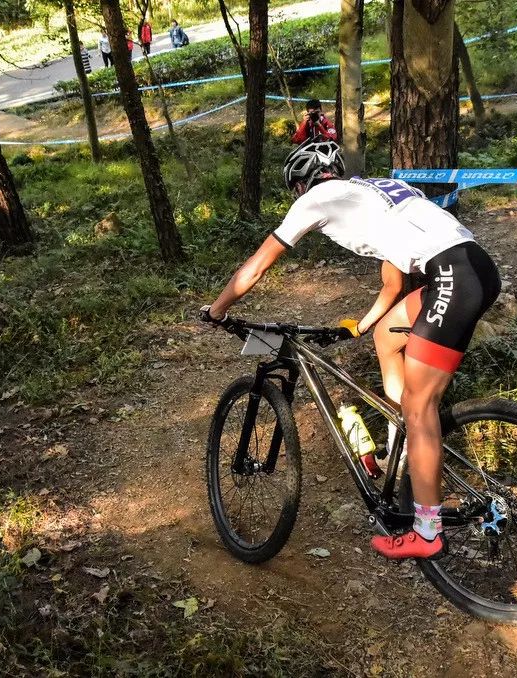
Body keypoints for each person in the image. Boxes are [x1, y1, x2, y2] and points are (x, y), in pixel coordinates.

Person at [200, 141, 501, 560]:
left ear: (300, 185)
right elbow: (393, 285)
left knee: (421, 405)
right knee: (387, 337)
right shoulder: (377, 191)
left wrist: (217, 310)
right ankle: (406, 436)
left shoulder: (315, 199)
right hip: (473, 267)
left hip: (451, 276)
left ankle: (427, 532)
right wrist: (359, 327)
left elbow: (256, 266)